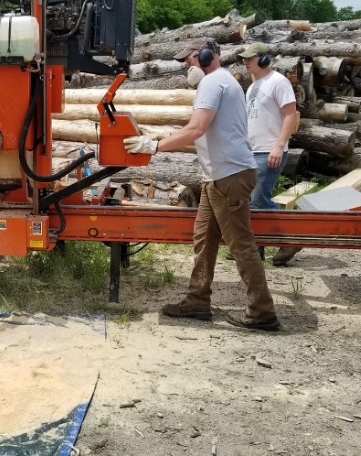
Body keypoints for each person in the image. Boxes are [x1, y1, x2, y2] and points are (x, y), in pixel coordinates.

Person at [122, 39, 280, 331]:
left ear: (207, 56)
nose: (187, 66)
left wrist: (153, 147)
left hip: (228, 175)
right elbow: (198, 128)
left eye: (190, 59)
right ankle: (197, 300)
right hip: (218, 177)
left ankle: (262, 312)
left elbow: (197, 128)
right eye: (184, 62)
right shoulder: (222, 81)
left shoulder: (212, 83)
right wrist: (160, 137)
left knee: (241, 245)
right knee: (204, 239)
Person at [239, 42, 302, 266]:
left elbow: (290, 115)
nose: (245, 62)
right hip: (252, 151)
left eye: (250, 58)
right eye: (243, 59)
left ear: (264, 59)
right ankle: (252, 247)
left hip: (269, 150)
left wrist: (279, 145)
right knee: (248, 200)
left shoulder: (278, 82)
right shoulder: (253, 86)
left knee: (258, 199)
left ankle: (290, 238)